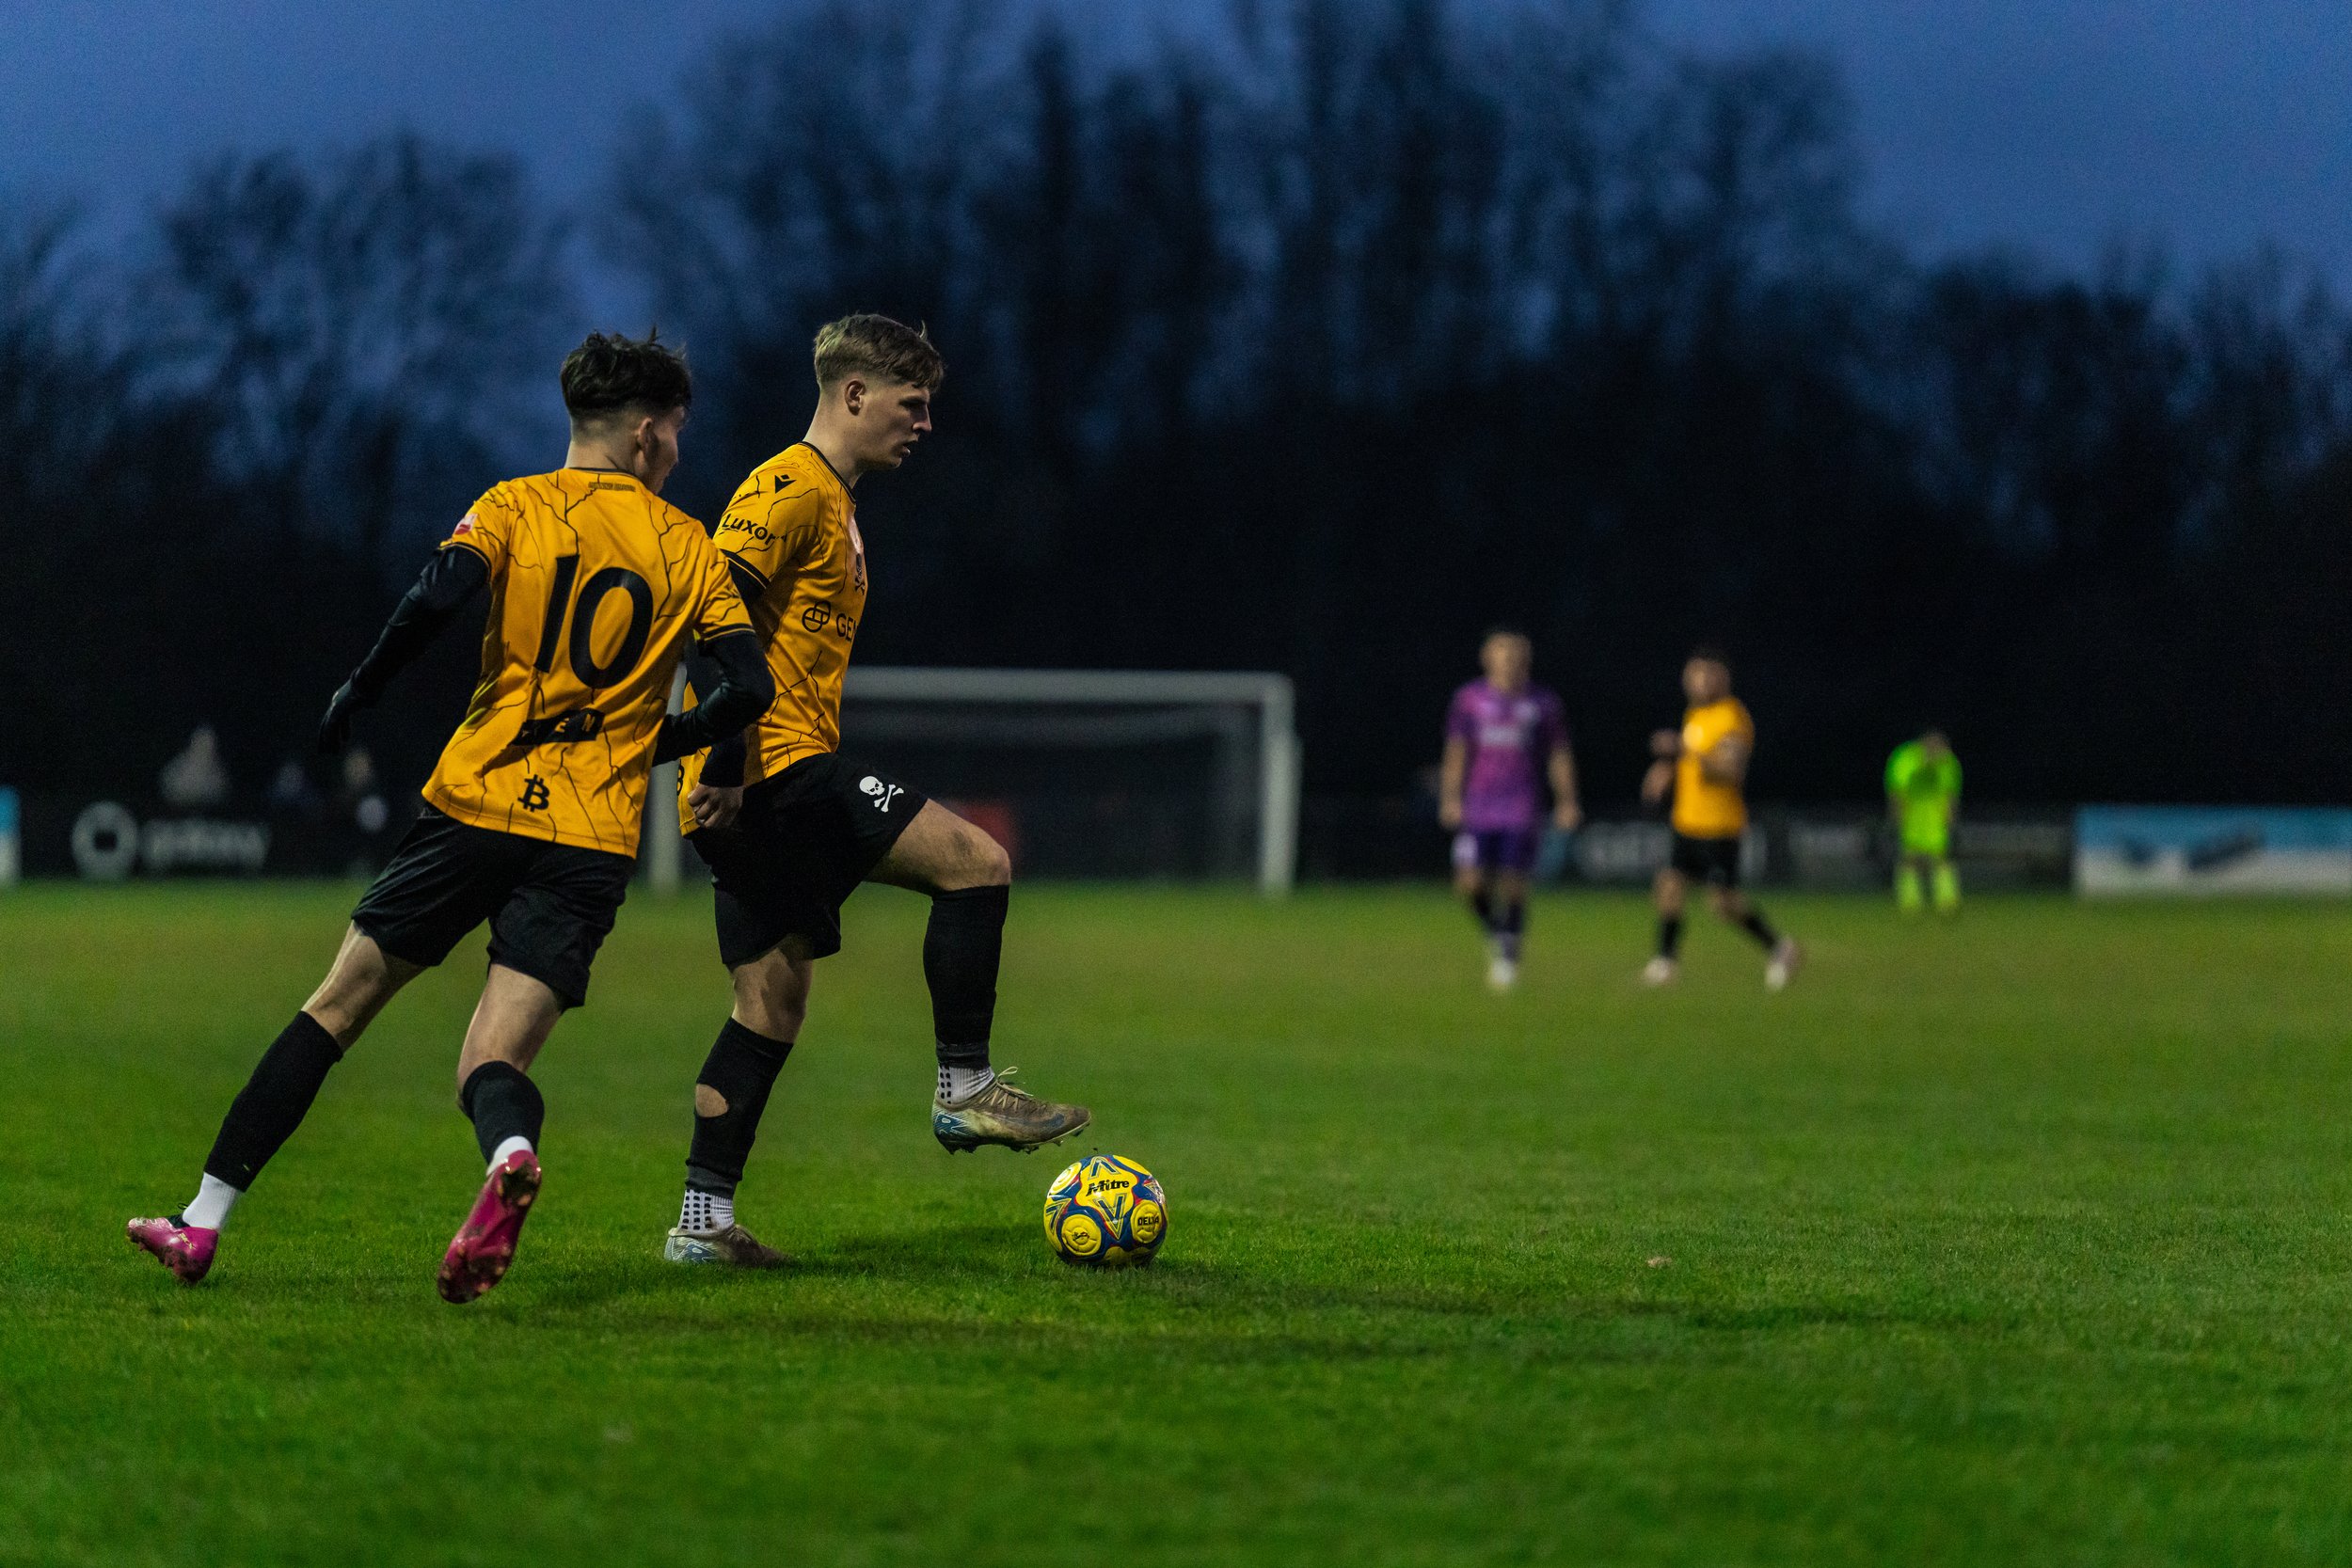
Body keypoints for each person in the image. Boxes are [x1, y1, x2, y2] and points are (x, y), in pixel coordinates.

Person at [126, 332, 772, 1300]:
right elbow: (748, 685)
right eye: (676, 430)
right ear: (645, 433)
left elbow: (436, 596)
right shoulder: (691, 547)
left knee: (336, 1006)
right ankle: (507, 1150)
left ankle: (203, 1221)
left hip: (476, 798)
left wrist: (362, 685)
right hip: (591, 834)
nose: (677, 446)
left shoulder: (513, 504)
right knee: (492, 1055)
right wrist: (660, 744)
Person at [660, 314, 1088, 1269]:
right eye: (912, 403)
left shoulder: (833, 500)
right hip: (773, 772)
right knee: (976, 862)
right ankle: (964, 1085)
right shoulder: (788, 487)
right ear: (853, 395)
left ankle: (699, 1220)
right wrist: (726, 763)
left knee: (769, 1002)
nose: (924, 423)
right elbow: (707, 615)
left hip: (755, 781)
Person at [1640, 647, 1802, 990]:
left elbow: (1730, 770)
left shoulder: (1732, 718)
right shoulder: (1695, 716)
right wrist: (1668, 770)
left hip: (1720, 826)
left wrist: (1683, 752)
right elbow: (1693, 761)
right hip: (1687, 822)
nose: (1701, 681)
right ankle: (1665, 962)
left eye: (1709, 674)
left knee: (1723, 903)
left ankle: (1780, 948)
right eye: (1695, 673)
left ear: (1723, 679)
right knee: (1669, 887)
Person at [1438, 628, 1580, 991]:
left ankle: (1507, 954)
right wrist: (1451, 797)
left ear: (1525, 661)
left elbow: (1559, 755)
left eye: (1515, 656)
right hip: (1478, 805)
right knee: (1468, 884)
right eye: (1501, 654)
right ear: (1487, 658)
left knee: (1514, 885)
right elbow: (1457, 752)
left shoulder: (1543, 704)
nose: (1508, 662)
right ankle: (1500, 937)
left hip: (1521, 805)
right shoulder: (1469, 700)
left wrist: (1567, 800)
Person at [1886, 730, 1962, 915]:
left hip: (1934, 816)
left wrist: (1950, 814)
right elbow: (1897, 789)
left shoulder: (1947, 761)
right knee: (1910, 859)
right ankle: (1910, 903)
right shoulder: (1905, 758)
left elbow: (1950, 791)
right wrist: (1897, 814)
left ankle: (1947, 902)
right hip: (1912, 814)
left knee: (1941, 859)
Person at [159, 725, 230, 809]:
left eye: (210, 743)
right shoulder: (176, 770)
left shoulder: (219, 776)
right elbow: (168, 785)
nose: (206, 747)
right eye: (202, 742)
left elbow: (221, 791)